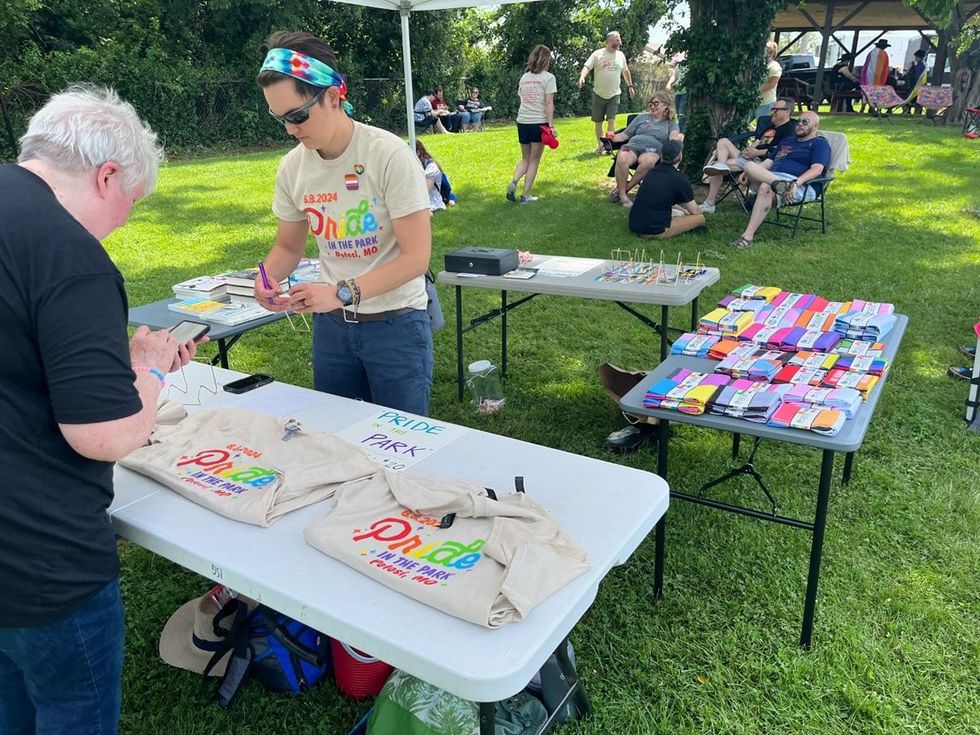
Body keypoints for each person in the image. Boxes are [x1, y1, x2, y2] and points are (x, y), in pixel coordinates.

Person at [0, 85, 198, 734]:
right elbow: (107, 435)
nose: (124, 223)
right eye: (130, 205)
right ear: (107, 174)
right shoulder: (67, 252)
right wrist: (145, 367)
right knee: (69, 710)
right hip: (40, 561)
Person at [255, 31, 434, 416]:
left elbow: (416, 258)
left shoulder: (388, 155)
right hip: (332, 329)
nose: (290, 129)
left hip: (395, 325)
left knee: (399, 446)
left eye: (297, 116)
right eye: (279, 118)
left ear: (332, 97)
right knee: (336, 441)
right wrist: (265, 279)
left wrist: (339, 292)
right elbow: (288, 247)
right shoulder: (293, 167)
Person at [728, 110, 831, 248]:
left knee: (766, 187)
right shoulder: (787, 141)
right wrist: (749, 172)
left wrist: (796, 183)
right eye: (798, 121)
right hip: (776, 179)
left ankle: (747, 237)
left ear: (816, 126)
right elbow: (768, 163)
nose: (800, 124)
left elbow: (817, 169)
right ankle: (781, 185)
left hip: (801, 185)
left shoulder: (819, 144)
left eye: (805, 122)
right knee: (750, 165)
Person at [700, 98, 796, 213]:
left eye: (777, 110)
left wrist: (758, 153)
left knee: (715, 167)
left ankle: (710, 203)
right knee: (723, 141)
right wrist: (748, 150)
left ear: (787, 112)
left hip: (763, 164)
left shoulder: (790, 129)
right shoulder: (770, 125)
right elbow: (758, 141)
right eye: (773, 109)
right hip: (751, 158)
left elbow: (781, 152)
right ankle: (721, 165)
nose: (773, 112)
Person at [608, 92, 683, 209]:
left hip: (652, 150)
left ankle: (625, 189)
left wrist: (677, 138)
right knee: (622, 157)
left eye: (656, 103)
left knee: (649, 161)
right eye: (650, 104)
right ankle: (623, 196)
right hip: (633, 146)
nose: (652, 106)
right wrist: (613, 137)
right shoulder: (641, 117)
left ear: (666, 105)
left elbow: (673, 137)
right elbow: (625, 134)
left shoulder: (670, 123)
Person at [507, 44, 557, 204]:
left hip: (522, 122)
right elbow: (549, 103)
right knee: (534, 160)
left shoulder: (524, 77)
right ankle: (525, 195)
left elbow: (522, 98)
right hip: (539, 123)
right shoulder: (549, 78)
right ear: (545, 60)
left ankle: (514, 181)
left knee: (525, 158)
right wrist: (551, 126)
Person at [628, 140, 706, 238]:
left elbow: (661, 200)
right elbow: (695, 211)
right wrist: (695, 211)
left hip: (635, 225)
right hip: (656, 230)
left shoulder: (651, 172)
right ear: (679, 156)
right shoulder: (680, 179)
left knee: (681, 212)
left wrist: (683, 210)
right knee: (700, 218)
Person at [578, 31, 635, 155]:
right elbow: (587, 67)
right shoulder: (598, 54)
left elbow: (625, 71)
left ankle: (608, 145)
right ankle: (600, 145)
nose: (619, 42)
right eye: (616, 40)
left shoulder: (620, 55)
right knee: (598, 122)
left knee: (611, 121)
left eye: (619, 40)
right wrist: (582, 77)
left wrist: (630, 86)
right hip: (598, 93)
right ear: (608, 41)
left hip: (614, 94)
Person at [415, 139, 452, 212]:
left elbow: (426, 191)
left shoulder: (431, 167)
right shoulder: (415, 166)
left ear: (418, 152)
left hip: (432, 204)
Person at [756, 40, 783, 120]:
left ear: (771, 52)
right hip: (756, 102)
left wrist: (756, 92)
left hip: (767, 103)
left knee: (763, 126)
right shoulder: (761, 65)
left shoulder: (774, 66)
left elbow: (772, 83)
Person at [666, 51, 688, 132]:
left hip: (686, 92)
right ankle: (679, 130)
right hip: (678, 92)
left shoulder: (690, 65)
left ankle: (681, 132)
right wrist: (669, 83)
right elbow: (674, 76)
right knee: (678, 113)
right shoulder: (679, 65)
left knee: (682, 114)